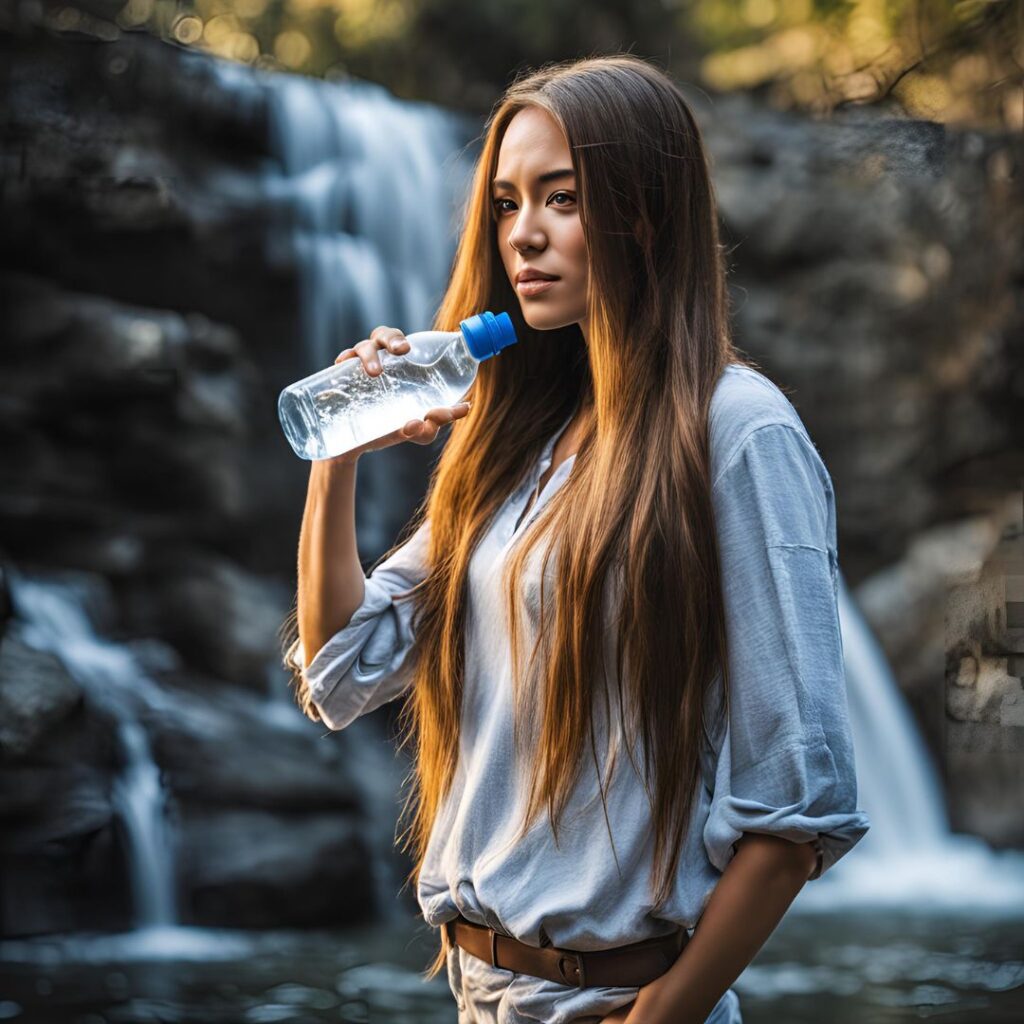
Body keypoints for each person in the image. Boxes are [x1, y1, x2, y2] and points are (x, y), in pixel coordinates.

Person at [281, 53, 871, 1024]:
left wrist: (662, 1013)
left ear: (646, 209)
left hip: (614, 1002)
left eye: (561, 197)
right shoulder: (524, 443)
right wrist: (336, 444)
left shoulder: (738, 432)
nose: (525, 235)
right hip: (476, 997)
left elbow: (797, 809)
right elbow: (342, 669)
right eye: (508, 203)